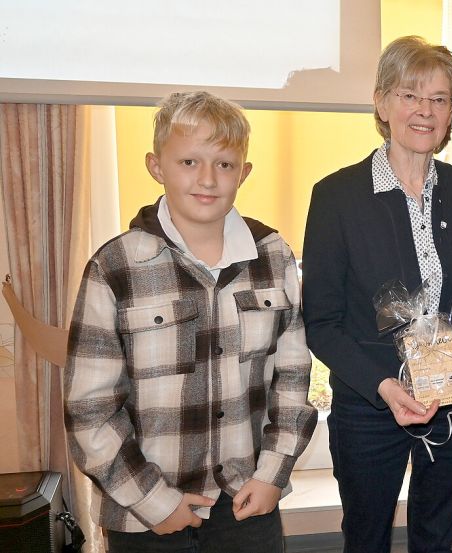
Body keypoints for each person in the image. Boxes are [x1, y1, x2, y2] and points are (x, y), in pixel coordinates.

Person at [64, 91, 317, 552]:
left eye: (224, 164)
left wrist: (273, 473)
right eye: (188, 162)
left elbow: (293, 378)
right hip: (146, 510)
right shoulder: (115, 267)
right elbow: (90, 409)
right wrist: (155, 502)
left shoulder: (274, 256)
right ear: (156, 166)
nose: (207, 179)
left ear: (244, 172)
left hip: (247, 500)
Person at [302, 36, 452, 553]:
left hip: (451, 399)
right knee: (367, 537)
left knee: (436, 534)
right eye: (409, 95)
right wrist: (383, 387)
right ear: (381, 102)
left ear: (451, 113)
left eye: (439, 99)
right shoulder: (336, 196)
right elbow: (321, 323)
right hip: (370, 407)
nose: (424, 111)